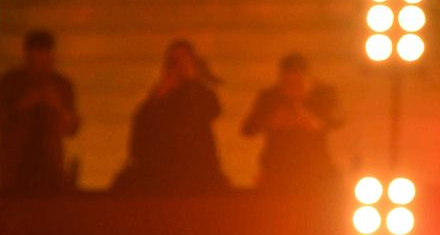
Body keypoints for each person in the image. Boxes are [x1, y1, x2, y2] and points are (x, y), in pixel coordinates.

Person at [112, 39, 230, 193]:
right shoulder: (161, 94)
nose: (179, 65)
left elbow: (213, 109)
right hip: (162, 172)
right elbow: (142, 125)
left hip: (198, 170)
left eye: (184, 59)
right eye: (175, 60)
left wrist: (191, 79)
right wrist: (160, 93)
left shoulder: (199, 92)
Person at [0, 30, 79, 193]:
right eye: (35, 62)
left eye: (44, 62)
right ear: (27, 57)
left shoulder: (61, 85)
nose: (40, 68)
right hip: (15, 163)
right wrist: (21, 106)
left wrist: (56, 105)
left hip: (50, 164)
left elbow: (72, 129)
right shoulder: (9, 84)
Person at [241, 54, 341, 192]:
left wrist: (316, 124)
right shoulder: (270, 97)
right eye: (287, 83)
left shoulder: (324, 95)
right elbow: (248, 129)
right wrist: (270, 122)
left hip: (315, 168)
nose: (293, 89)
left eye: (298, 83)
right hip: (278, 168)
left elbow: (340, 121)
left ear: (309, 80)